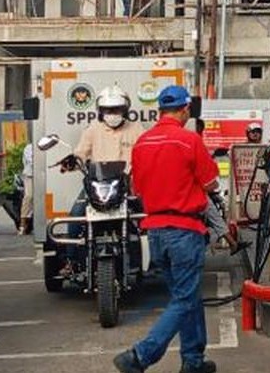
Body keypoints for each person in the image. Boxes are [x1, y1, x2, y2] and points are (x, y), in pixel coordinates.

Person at [114, 86, 219, 373]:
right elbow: (211, 183)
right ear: (185, 109)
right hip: (184, 229)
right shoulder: (189, 140)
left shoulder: (142, 142)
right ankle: (139, 356)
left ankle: (193, 361)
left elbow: (137, 188)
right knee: (185, 299)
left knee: (188, 296)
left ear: (161, 110)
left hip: (156, 231)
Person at [65, 85, 145, 263]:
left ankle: (154, 258)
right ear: (101, 111)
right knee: (75, 216)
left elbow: (145, 152)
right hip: (97, 186)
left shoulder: (136, 129)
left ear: (125, 110)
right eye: (108, 110)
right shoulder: (93, 130)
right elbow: (81, 152)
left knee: (149, 217)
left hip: (128, 186)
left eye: (116, 109)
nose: (112, 113)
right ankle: (71, 261)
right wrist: (72, 160)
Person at [18, 143, 34, 235]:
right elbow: (31, 161)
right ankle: (22, 224)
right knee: (29, 196)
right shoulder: (29, 148)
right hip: (30, 175)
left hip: (43, 175)